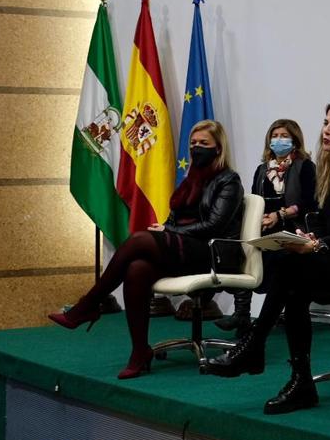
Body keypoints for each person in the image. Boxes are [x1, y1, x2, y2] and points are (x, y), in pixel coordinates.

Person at [204, 100, 330, 416]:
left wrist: (321, 245)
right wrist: (310, 237)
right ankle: (298, 380)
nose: (326, 130)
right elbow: (325, 221)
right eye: (326, 122)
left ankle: (257, 348)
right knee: (291, 274)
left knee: (291, 268)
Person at [49, 120, 244, 379]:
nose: (197, 148)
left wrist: (170, 232)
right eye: (193, 143)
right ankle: (140, 352)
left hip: (210, 252)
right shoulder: (190, 179)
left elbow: (214, 225)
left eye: (204, 144)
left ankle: (87, 306)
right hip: (184, 247)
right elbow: (176, 220)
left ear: (218, 148)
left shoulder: (229, 180)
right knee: (137, 269)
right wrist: (166, 227)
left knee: (140, 240)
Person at [215, 119, 317, 333]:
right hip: (265, 228)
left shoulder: (305, 166)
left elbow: (311, 201)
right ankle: (242, 314)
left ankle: (270, 316)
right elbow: (253, 199)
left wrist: (279, 215)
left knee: (277, 259)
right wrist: (258, 219)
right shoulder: (262, 170)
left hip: (295, 227)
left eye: (283, 135)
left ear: (295, 139)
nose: (278, 140)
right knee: (241, 251)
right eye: (275, 135)